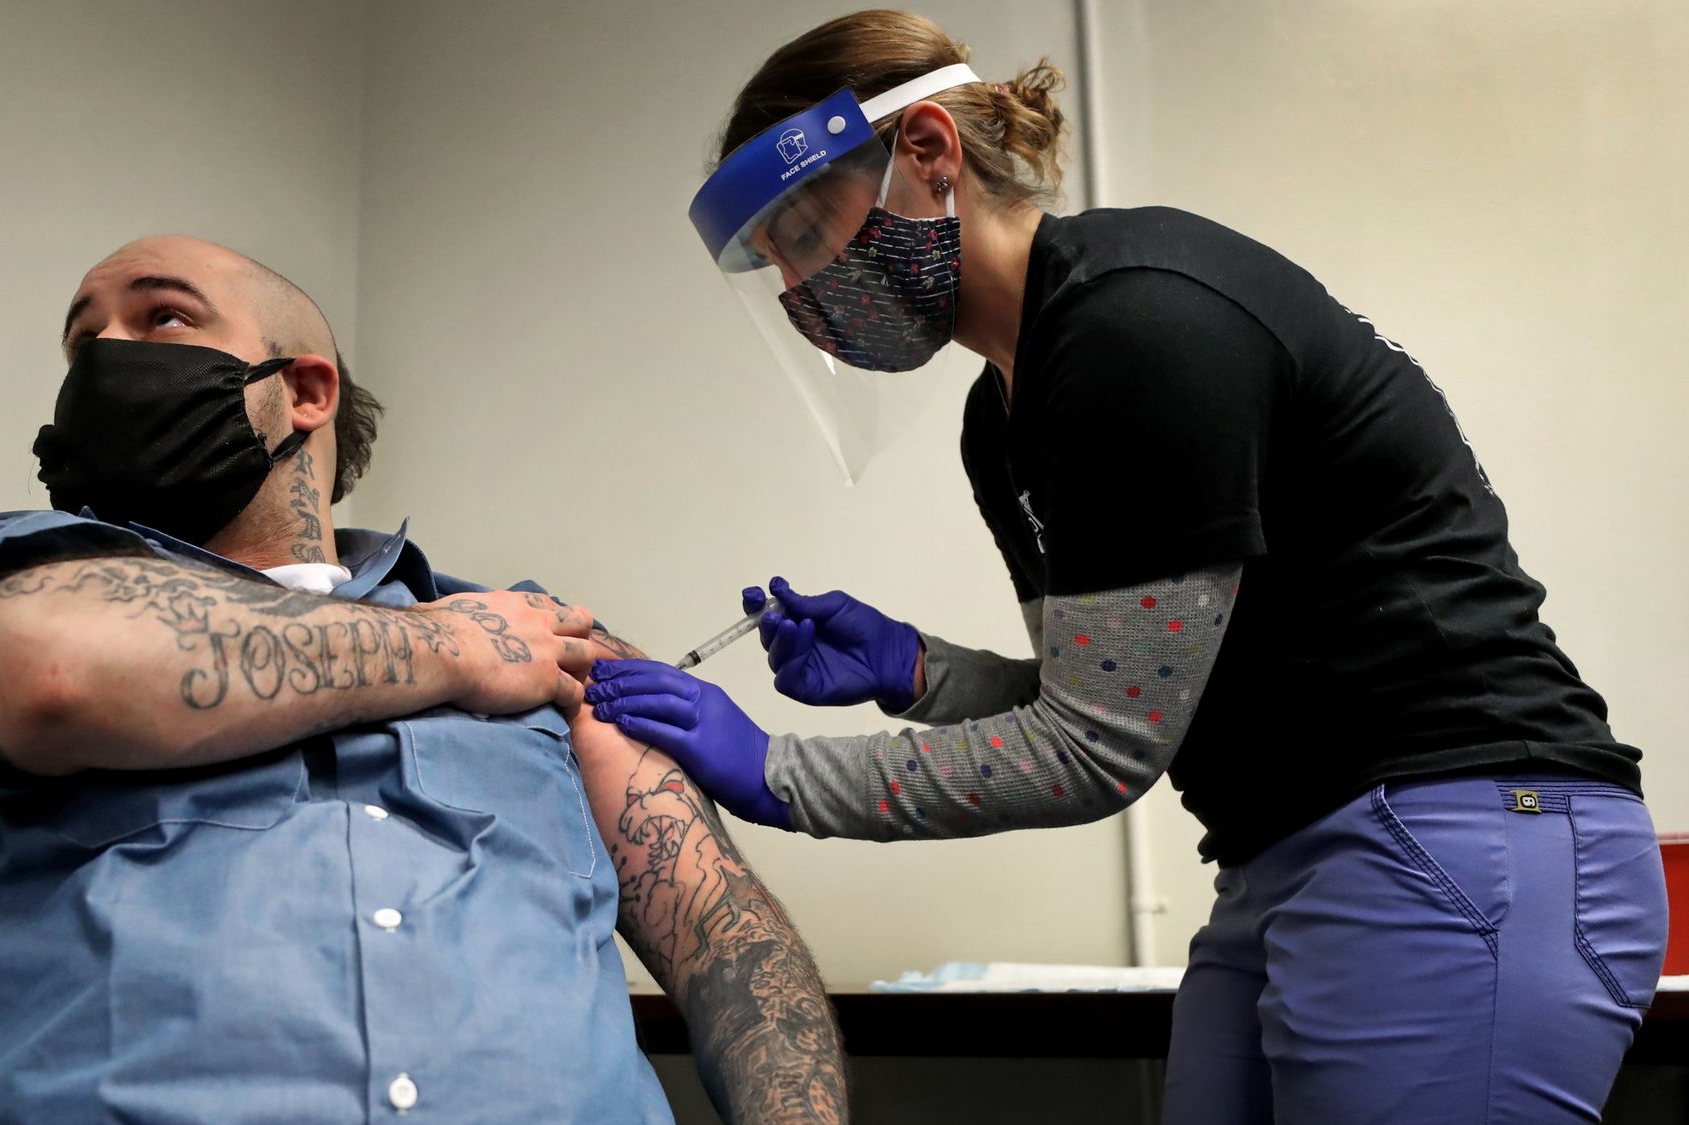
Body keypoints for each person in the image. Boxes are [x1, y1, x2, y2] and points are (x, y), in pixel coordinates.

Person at [589, 10, 1668, 1124]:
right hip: (1289, 854)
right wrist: (913, 669)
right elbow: (1109, 695)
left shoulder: (1138, 326)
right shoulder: (1002, 416)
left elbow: (1093, 754)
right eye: (779, 268)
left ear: (925, 154)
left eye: (809, 236)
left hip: (1458, 829)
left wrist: (772, 773)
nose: (806, 295)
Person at [0, 235, 847, 1123]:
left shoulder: (545, 639)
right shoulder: (3, 576)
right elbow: (52, 672)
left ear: (305, 391)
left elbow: (726, 946)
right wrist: (453, 653)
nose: (104, 354)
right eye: (81, 340)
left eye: (162, 316)